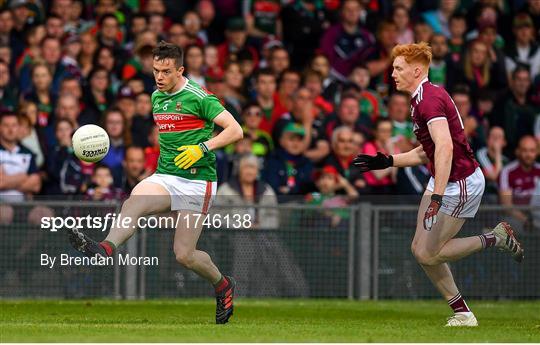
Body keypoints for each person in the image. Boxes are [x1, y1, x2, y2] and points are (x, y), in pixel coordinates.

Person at [67, 41, 243, 324]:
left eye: (166, 71)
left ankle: (223, 285)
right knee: (134, 200)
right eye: (155, 70)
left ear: (180, 70)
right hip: (166, 176)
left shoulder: (200, 97)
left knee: (184, 255)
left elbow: (236, 130)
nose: (159, 77)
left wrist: (202, 148)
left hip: (198, 181)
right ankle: (105, 248)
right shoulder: (156, 97)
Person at [353, 42, 524, 327]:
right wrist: (388, 161)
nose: (392, 73)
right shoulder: (421, 97)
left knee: (429, 253)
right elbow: (427, 151)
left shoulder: (429, 100)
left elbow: (444, 148)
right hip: (443, 179)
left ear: (416, 70)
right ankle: (462, 312)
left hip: (461, 183)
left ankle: (495, 238)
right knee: (420, 250)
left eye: (398, 68)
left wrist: (437, 197)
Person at [498, 135, 540, 231]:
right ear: (518, 151)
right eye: (525, 150)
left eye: (532, 151)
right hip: (518, 217)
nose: (528, 154)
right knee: (510, 225)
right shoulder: (507, 171)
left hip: (537, 214)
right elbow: (506, 206)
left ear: (537, 152)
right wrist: (527, 220)